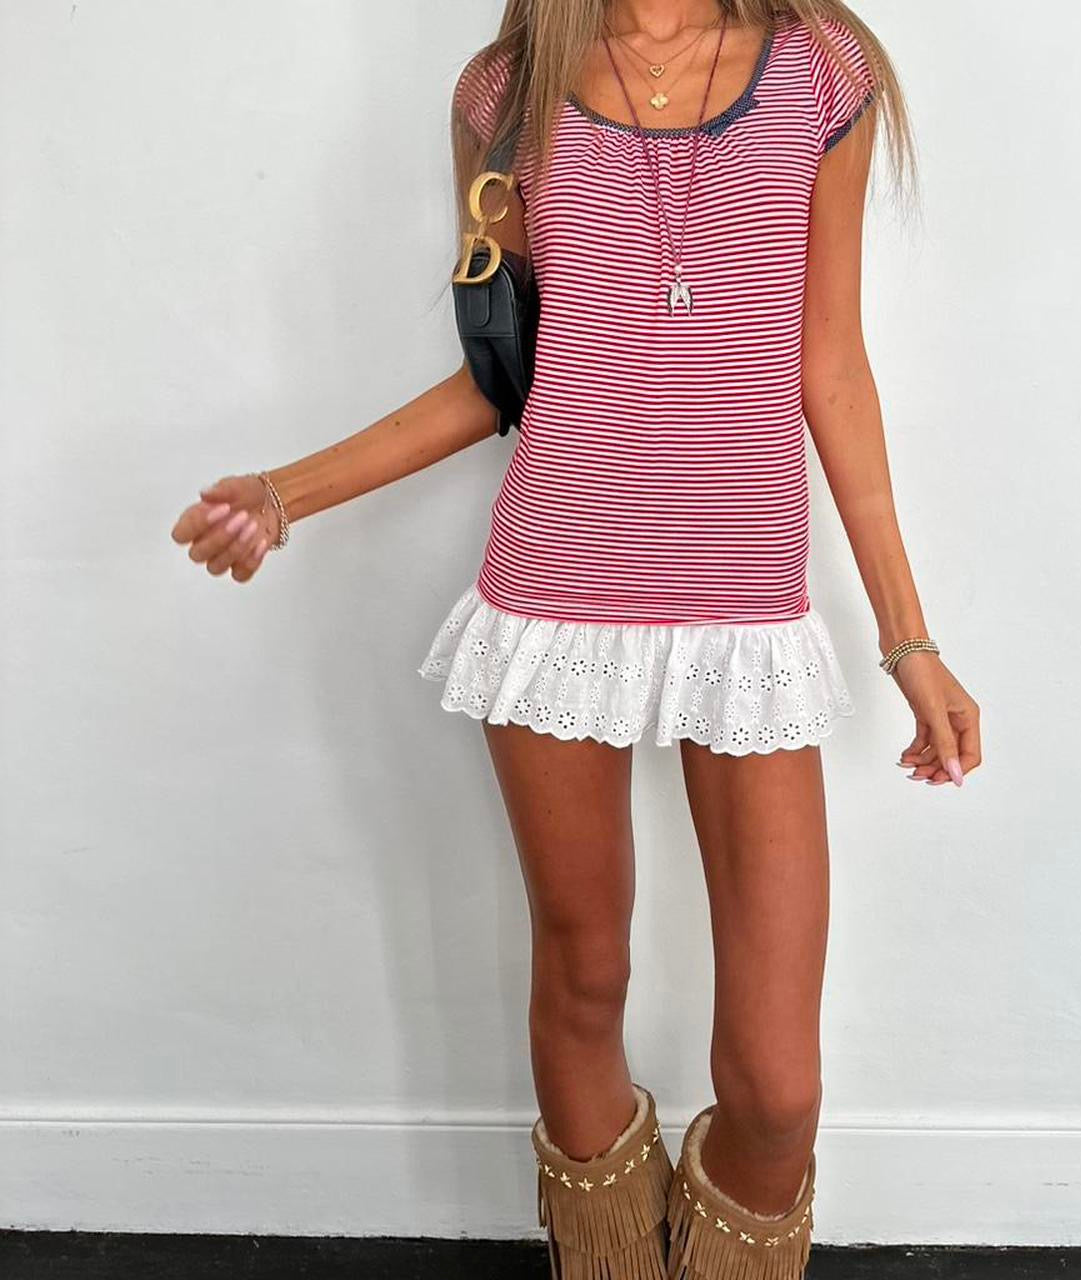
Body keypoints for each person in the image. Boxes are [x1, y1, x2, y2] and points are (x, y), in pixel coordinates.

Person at [170, 2, 982, 1275]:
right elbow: (502, 373)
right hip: (553, 600)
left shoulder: (822, 70)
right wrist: (284, 494)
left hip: (742, 613)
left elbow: (828, 364)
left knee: (777, 1087)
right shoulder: (502, 94)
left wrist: (909, 639)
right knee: (585, 971)